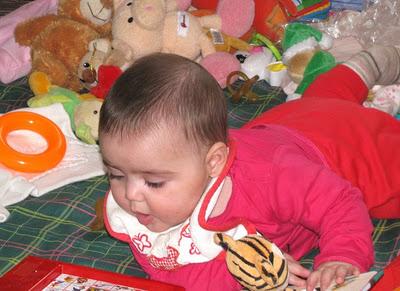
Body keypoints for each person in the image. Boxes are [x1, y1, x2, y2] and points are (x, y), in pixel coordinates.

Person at [98, 45, 400, 291]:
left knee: (382, 169)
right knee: (323, 98)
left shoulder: (269, 178)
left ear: (214, 162)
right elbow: (172, 272)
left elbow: (339, 202)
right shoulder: (147, 203)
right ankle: (363, 63)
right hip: (287, 120)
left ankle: (381, 53)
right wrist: (242, 271)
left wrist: (342, 257)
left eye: (153, 182)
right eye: (116, 174)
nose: (131, 195)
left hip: (343, 146)